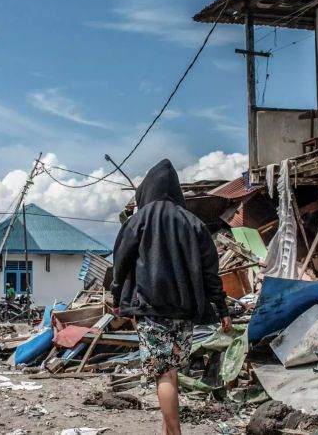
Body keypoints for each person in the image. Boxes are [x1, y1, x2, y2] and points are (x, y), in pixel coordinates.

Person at [111, 159, 231, 435]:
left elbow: (120, 264)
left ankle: (175, 433)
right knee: (173, 371)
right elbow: (211, 273)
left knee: (163, 373)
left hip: (151, 309)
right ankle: (167, 432)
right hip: (185, 311)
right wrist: (222, 308)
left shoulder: (137, 220)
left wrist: (117, 299)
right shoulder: (194, 223)